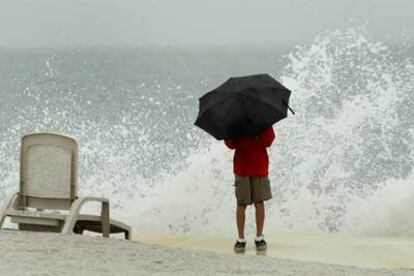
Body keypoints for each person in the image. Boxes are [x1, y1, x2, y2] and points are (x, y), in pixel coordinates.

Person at [224, 126, 275, 253]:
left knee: (249, 203)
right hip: (250, 167)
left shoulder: (237, 120)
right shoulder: (262, 119)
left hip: (252, 167)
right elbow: (269, 141)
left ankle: (247, 238)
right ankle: (253, 238)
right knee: (250, 203)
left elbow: (230, 144)